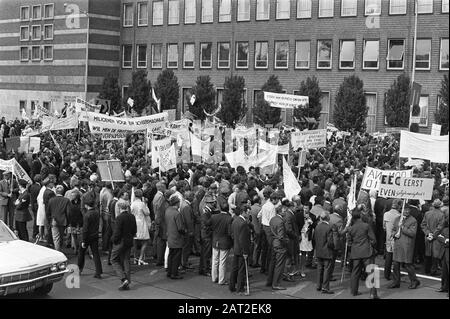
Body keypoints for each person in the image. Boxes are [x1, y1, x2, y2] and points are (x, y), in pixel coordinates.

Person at [389, 204, 420, 289]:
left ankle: (414, 281)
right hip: (398, 244)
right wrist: (393, 234)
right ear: (401, 210)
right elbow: (393, 230)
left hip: (407, 245)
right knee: (395, 264)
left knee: (408, 265)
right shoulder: (397, 219)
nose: (406, 211)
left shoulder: (413, 220)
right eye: (404, 209)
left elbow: (412, 233)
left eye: (408, 209)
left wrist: (402, 227)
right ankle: (396, 282)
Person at [347, 208, 377, 298]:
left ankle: (354, 291)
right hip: (366, 251)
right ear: (360, 216)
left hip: (356, 252)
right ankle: (373, 294)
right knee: (371, 273)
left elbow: (349, 241)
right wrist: (371, 245)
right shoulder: (366, 226)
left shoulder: (351, 228)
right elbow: (373, 240)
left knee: (355, 272)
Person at [111, 200, 137, 290]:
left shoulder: (119, 218)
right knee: (126, 260)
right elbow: (134, 230)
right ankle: (127, 281)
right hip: (129, 240)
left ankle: (123, 278)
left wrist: (114, 240)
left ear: (119, 207)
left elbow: (117, 232)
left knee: (113, 259)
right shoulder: (132, 216)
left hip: (120, 241)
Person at [78, 191, 102, 279]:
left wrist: (84, 240)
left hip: (87, 236)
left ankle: (79, 269)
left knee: (81, 253)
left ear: (86, 205)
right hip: (95, 235)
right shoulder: (96, 213)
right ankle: (98, 271)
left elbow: (85, 229)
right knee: (96, 253)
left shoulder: (87, 215)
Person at [229, 205, 251, 294]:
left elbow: (232, 235)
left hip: (236, 247)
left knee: (234, 268)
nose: (249, 214)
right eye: (248, 212)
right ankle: (240, 288)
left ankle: (232, 286)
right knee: (242, 270)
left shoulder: (235, 220)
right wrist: (245, 252)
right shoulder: (243, 223)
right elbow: (243, 240)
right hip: (242, 250)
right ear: (244, 212)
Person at [210, 198, 233, 285]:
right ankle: (221, 280)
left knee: (215, 260)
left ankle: (214, 277)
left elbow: (209, 225)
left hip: (215, 240)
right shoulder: (229, 218)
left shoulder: (214, 217)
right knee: (222, 261)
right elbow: (230, 232)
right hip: (225, 241)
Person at [266, 205, 289, 291]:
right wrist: (286, 241)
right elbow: (281, 236)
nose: (285, 212)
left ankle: (270, 281)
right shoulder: (280, 221)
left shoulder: (273, 219)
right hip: (280, 245)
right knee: (279, 265)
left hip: (273, 243)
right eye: (284, 211)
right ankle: (276, 284)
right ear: (281, 212)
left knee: (273, 263)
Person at [421, 199, 445, 276]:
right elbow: (440, 228)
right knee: (436, 254)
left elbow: (423, 225)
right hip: (437, 237)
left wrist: (428, 234)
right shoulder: (441, 215)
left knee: (427, 253)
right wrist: (434, 235)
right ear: (440, 206)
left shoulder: (427, 213)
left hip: (428, 236)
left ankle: (427, 269)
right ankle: (433, 270)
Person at [165, 195, 186, 280]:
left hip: (170, 235)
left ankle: (170, 272)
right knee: (176, 256)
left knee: (171, 255)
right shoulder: (177, 213)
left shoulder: (167, 211)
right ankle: (174, 273)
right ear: (177, 203)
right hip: (177, 237)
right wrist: (185, 232)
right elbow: (180, 227)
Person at [314, 211, 335, 294]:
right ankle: (325, 287)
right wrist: (333, 247)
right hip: (327, 251)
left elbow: (314, 238)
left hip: (319, 250)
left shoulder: (317, 227)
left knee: (320, 269)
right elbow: (330, 241)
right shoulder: (329, 227)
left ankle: (318, 285)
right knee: (327, 269)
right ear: (327, 217)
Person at [258, 193, 279, 274]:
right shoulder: (272, 207)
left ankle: (262, 268)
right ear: (274, 199)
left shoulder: (265, 205)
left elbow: (258, 215)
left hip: (263, 227)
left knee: (264, 249)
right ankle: (268, 269)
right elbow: (273, 221)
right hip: (269, 229)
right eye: (277, 199)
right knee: (270, 250)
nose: (278, 201)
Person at [383, 199, 402, 281]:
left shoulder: (386, 214)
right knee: (396, 258)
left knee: (388, 256)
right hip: (396, 238)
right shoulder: (399, 216)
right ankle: (396, 274)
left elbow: (383, 227)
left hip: (388, 237)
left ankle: (386, 274)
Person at [46, 185, 70, 251]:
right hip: (63, 220)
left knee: (56, 238)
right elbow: (68, 213)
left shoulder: (51, 200)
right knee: (61, 236)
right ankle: (59, 250)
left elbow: (48, 212)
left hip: (54, 220)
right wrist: (68, 222)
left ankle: (58, 251)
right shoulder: (66, 200)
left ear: (56, 191)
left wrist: (49, 221)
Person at [131, 189, 151, 265]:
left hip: (134, 223)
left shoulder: (132, 204)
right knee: (145, 241)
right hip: (141, 223)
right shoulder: (142, 204)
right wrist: (146, 204)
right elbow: (147, 213)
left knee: (135, 241)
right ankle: (140, 258)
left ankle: (135, 258)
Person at [153, 182, 168, 266]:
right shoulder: (160, 197)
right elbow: (159, 209)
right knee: (160, 241)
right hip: (160, 221)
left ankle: (158, 257)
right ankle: (158, 258)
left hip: (158, 220)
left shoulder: (158, 196)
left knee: (159, 241)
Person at [180, 190, 195, 270]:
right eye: (192, 196)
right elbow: (188, 221)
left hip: (186, 230)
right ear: (189, 197)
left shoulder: (184, 204)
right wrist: (191, 231)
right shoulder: (186, 206)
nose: (194, 198)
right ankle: (184, 263)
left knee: (185, 247)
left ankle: (184, 262)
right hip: (187, 231)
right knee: (186, 247)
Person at [299, 202, 314, 277]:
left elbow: (314, 226)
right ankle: (295, 269)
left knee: (304, 254)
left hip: (307, 237)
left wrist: (311, 221)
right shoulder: (298, 214)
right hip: (299, 235)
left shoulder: (313, 216)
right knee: (296, 253)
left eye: (306, 208)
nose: (304, 209)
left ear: (310, 209)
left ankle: (302, 270)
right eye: (304, 208)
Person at [436, 211, 449, 295]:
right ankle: (444, 287)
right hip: (444, 253)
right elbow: (438, 236)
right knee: (444, 271)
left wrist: (445, 240)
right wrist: (445, 240)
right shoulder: (445, 229)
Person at [249, 195, 262, 268]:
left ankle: (250, 261)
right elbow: (260, 221)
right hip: (257, 230)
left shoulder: (250, 208)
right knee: (257, 247)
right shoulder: (259, 209)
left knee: (251, 246)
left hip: (251, 229)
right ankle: (255, 262)